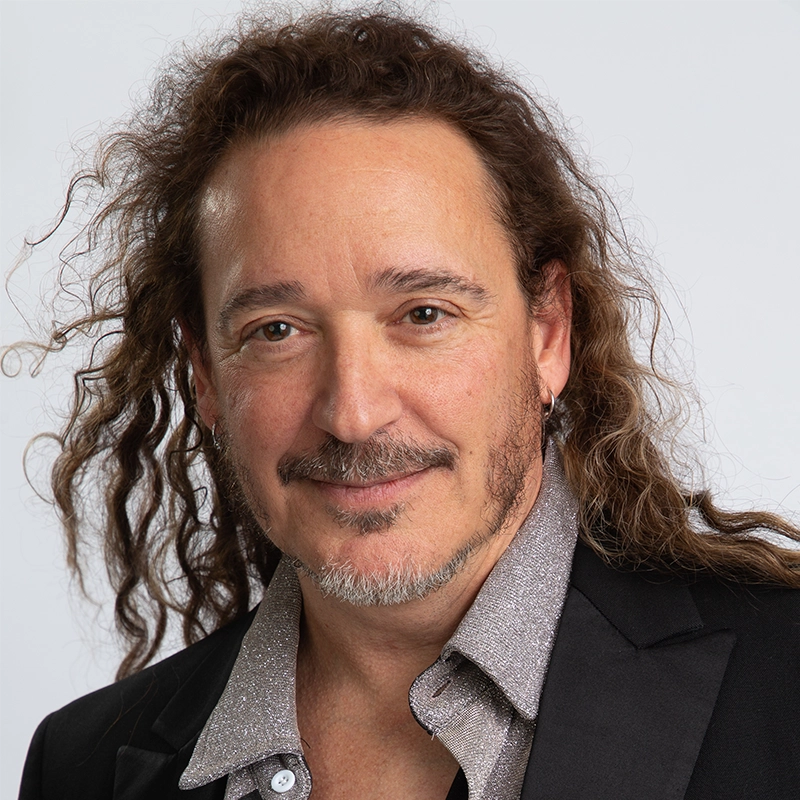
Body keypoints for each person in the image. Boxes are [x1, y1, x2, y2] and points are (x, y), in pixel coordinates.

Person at [12, 8, 800, 800]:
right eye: (276, 330)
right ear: (206, 375)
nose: (353, 414)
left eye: (424, 314)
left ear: (548, 332)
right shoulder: (78, 770)